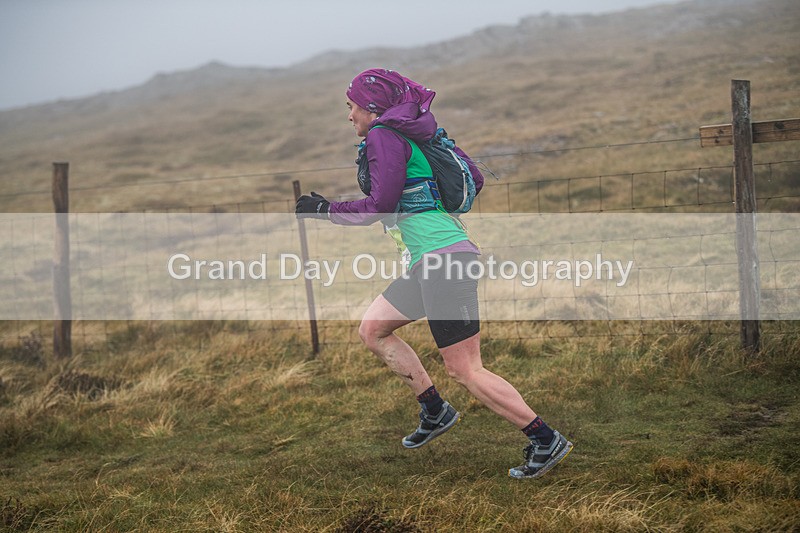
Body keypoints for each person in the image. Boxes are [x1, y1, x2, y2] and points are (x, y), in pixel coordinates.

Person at [295, 68, 572, 479]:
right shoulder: (400, 136)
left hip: (444, 260)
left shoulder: (384, 136)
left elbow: (381, 206)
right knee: (373, 330)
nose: (349, 115)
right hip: (430, 262)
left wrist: (325, 210)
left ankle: (545, 439)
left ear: (371, 109)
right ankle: (435, 410)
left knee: (465, 369)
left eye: (351, 106)